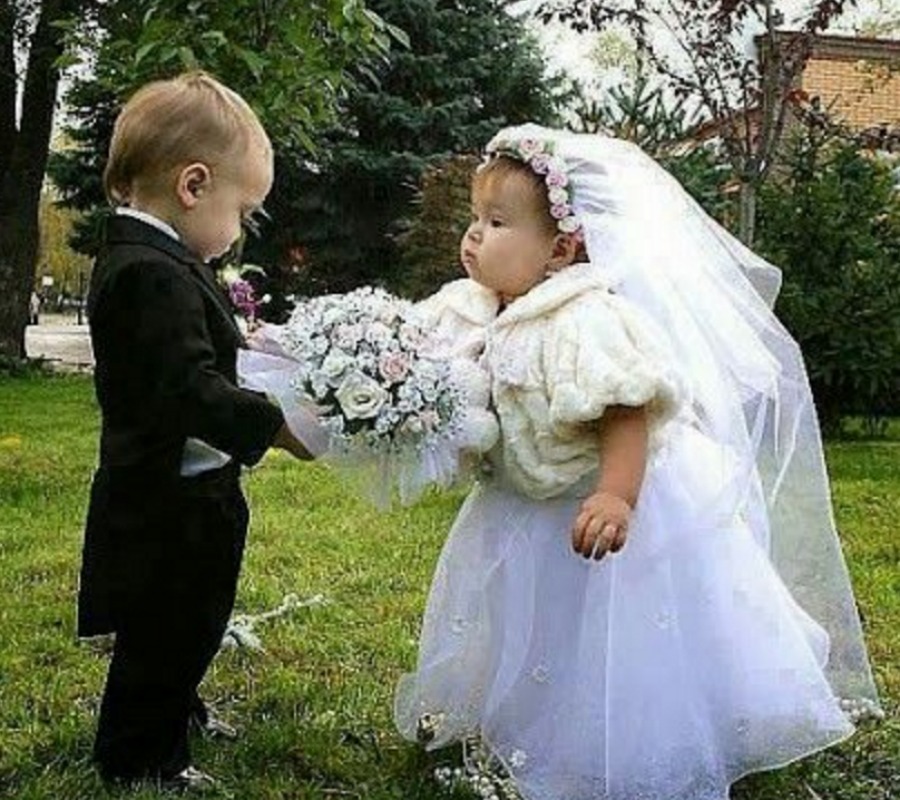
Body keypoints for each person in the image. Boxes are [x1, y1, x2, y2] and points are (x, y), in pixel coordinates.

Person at [394, 124, 881, 800]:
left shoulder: (584, 317)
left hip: (603, 503)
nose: (474, 235)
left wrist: (618, 495)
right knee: (530, 627)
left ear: (562, 248)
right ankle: (519, 721)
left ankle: (641, 734)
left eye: (497, 222)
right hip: (524, 504)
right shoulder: (469, 307)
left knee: (615, 634)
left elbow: (626, 412)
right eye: (475, 218)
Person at [77, 71, 310, 791]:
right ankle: (140, 754)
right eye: (243, 209)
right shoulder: (149, 273)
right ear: (193, 185)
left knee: (194, 619)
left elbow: (209, 350)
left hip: (194, 490)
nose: (240, 229)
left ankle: (176, 709)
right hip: (167, 503)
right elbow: (189, 390)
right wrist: (277, 426)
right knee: (166, 627)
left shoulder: (167, 261)